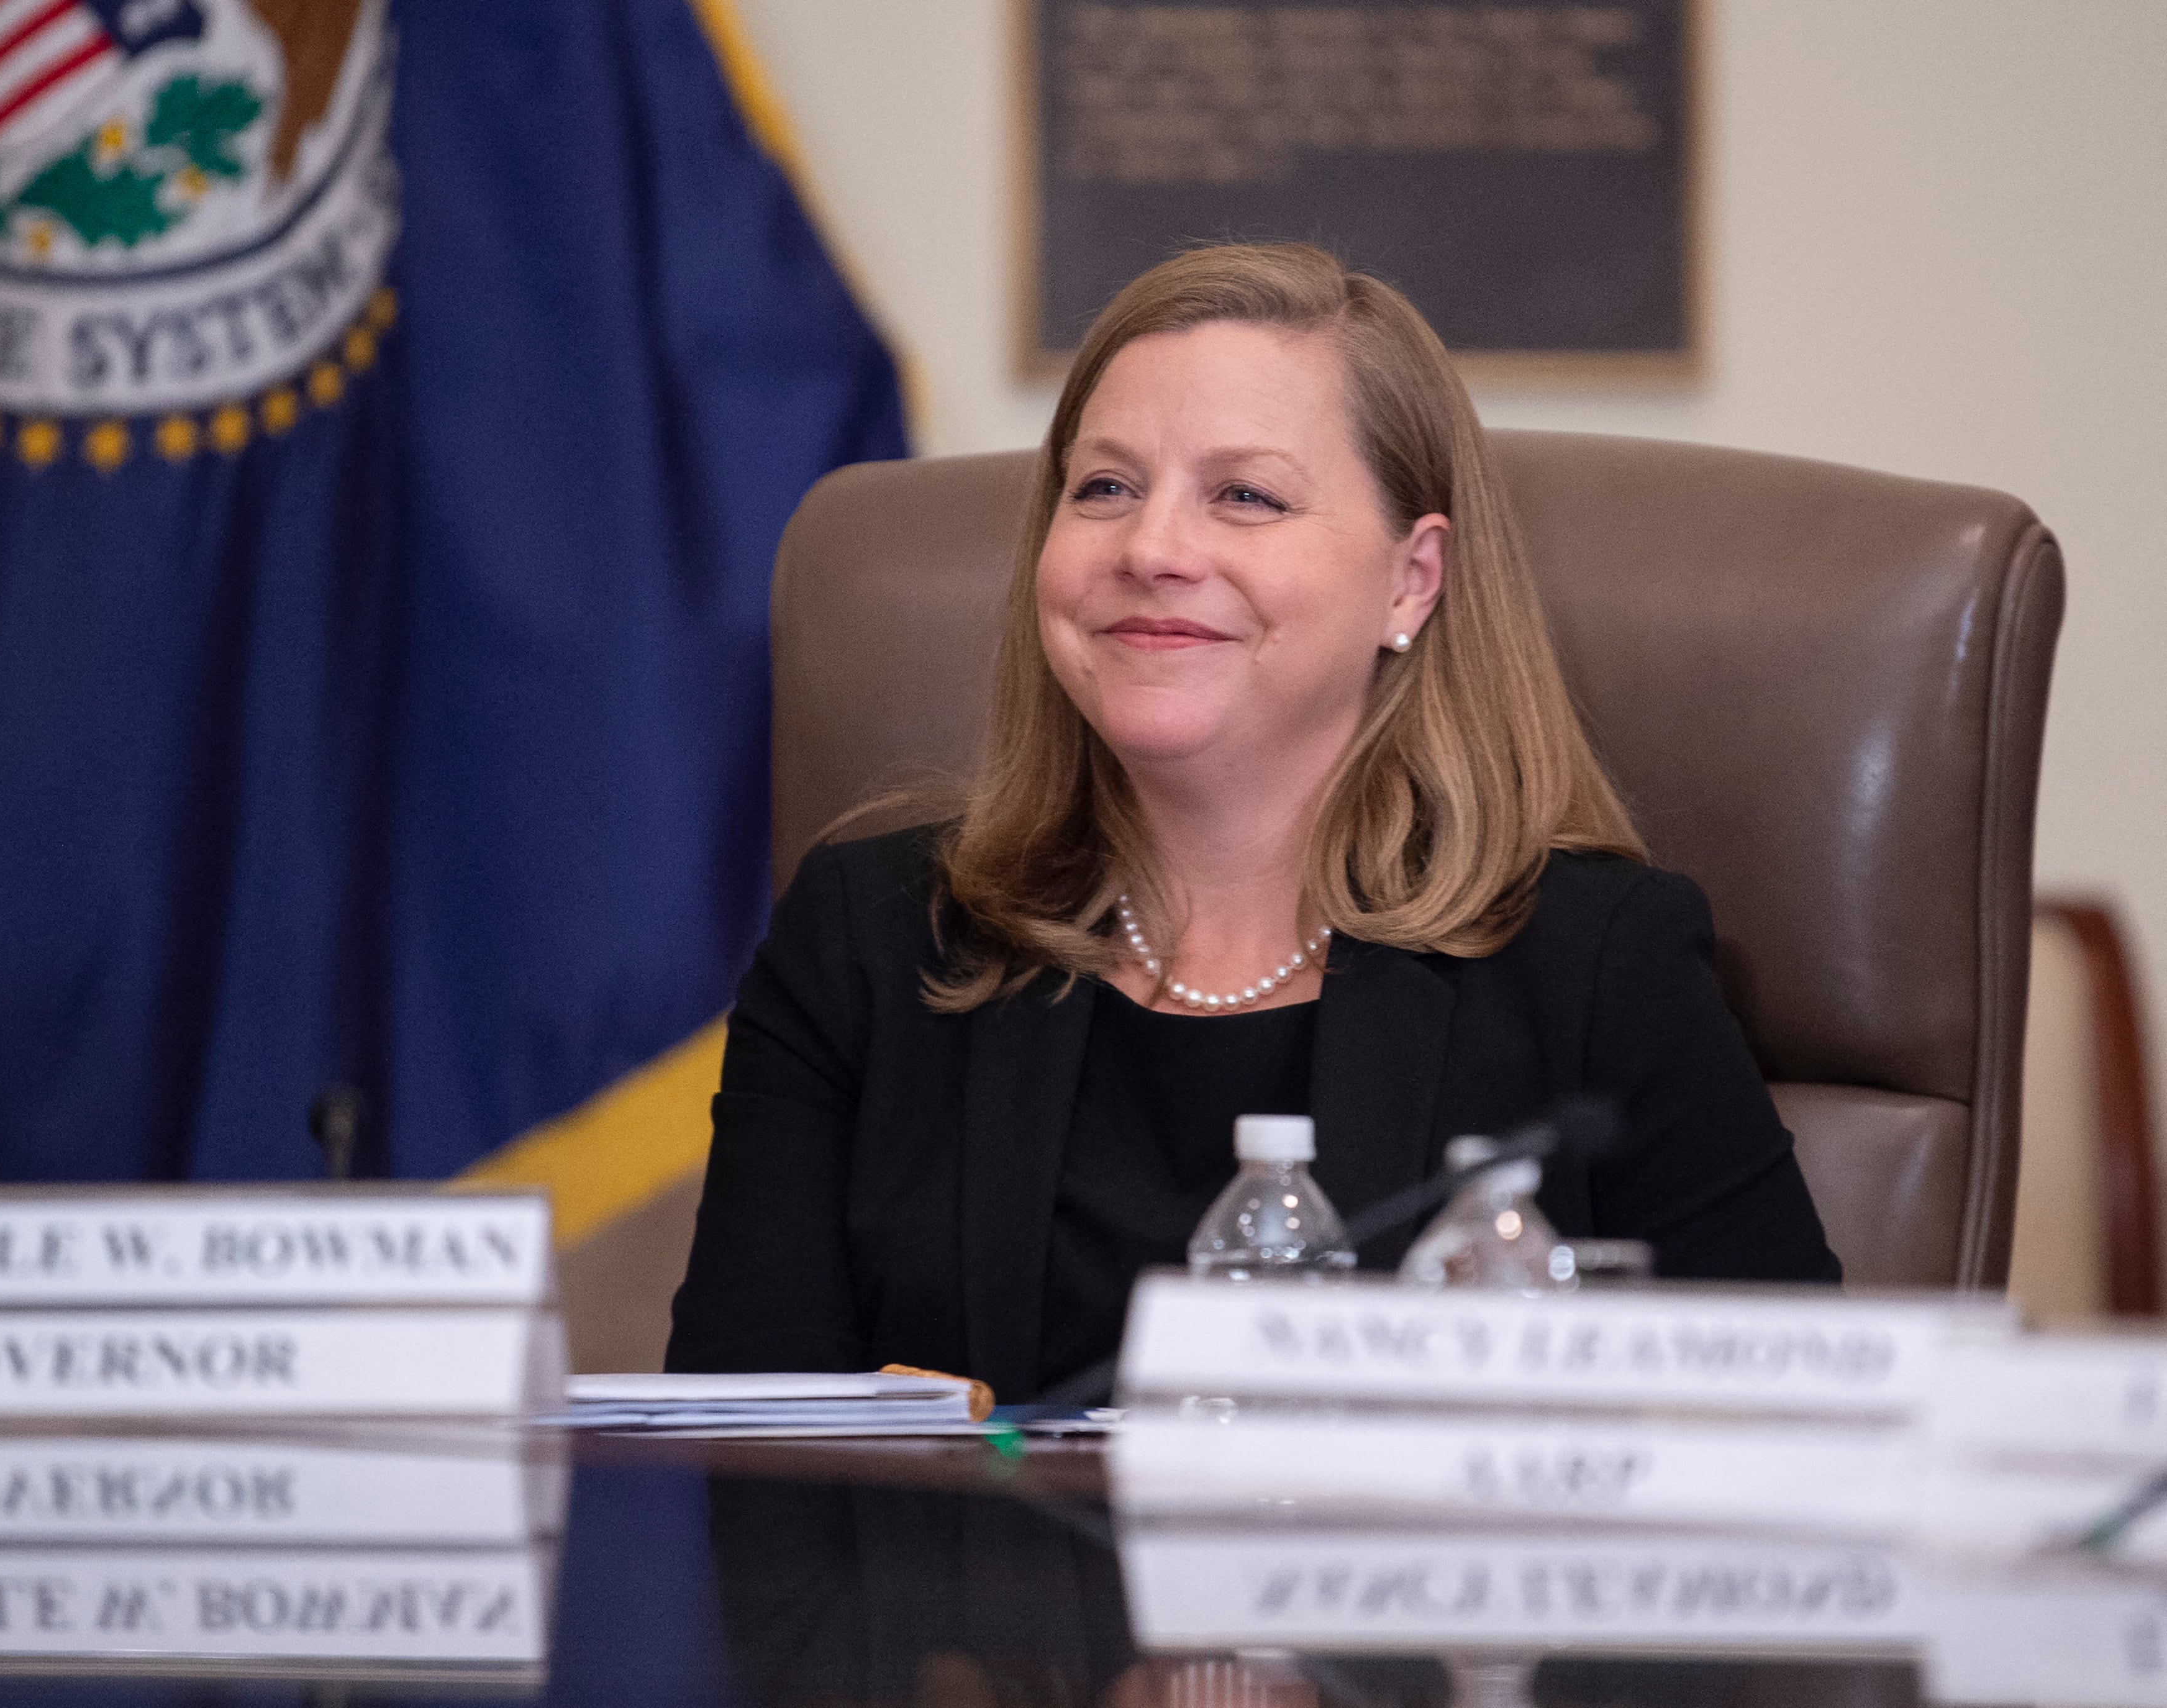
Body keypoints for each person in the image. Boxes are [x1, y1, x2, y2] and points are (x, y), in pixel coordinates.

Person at [665, 243, 1840, 1404]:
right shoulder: (868, 941)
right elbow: (737, 1463)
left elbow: (1797, 1446)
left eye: (1245, 496)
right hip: (948, 1599)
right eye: (1105, 488)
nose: (1151, 549)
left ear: (1410, 581)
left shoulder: (1595, 970)